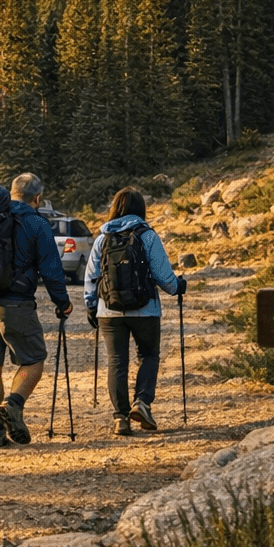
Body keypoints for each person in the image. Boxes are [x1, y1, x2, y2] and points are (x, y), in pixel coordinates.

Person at [0, 172, 73, 448]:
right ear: (37, 198)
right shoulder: (36, 223)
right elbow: (51, 270)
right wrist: (63, 302)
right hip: (15, 302)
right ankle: (13, 404)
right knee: (34, 359)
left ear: (11, 193)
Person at [83, 186, 186, 435]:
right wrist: (178, 286)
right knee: (149, 355)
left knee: (116, 362)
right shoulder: (147, 236)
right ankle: (142, 402)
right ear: (141, 209)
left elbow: (91, 276)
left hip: (109, 310)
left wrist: (91, 305)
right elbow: (164, 277)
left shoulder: (102, 238)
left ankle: (120, 418)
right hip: (145, 309)